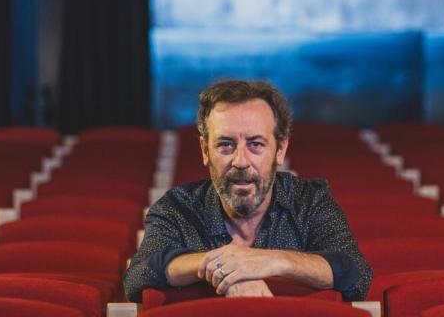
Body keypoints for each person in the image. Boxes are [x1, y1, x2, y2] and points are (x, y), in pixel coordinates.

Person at [123, 79, 372, 302]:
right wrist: (225, 266)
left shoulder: (310, 200)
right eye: (225, 144)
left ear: (280, 149)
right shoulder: (177, 207)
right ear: (204, 150)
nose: (240, 160)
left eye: (255, 144)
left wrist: (272, 261)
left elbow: (355, 275)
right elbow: (139, 275)